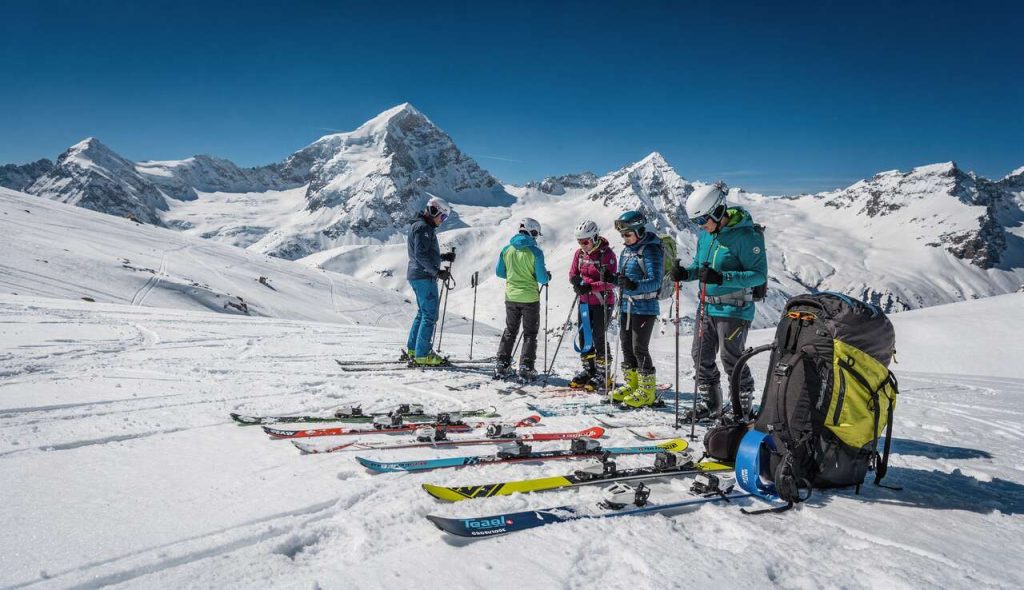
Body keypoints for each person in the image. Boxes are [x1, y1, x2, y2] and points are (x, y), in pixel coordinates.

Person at [671, 182, 768, 418]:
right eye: (696, 222)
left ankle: (741, 408)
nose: (700, 226)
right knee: (700, 355)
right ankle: (711, 404)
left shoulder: (746, 236)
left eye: (702, 220)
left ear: (717, 211)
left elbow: (758, 276)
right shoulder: (707, 236)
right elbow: (700, 267)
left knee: (731, 358)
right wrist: (686, 273)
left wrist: (722, 277)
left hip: (734, 309)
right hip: (707, 306)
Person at [604, 210, 664, 408]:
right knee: (626, 346)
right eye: (622, 235)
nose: (624, 238)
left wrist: (633, 285)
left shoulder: (651, 250)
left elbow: (655, 282)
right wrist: (613, 279)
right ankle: (633, 385)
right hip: (626, 306)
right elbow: (624, 279)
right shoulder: (626, 251)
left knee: (640, 347)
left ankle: (647, 391)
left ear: (639, 231)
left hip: (645, 307)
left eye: (627, 234)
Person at [495, 217, 551, 381]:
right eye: (535, 234)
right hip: (530, 299)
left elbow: (500, 272)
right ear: (532, 232)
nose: (535, 238)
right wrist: (547, 276)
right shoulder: (535, 252)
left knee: (510, 331)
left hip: (511, 296)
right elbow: (542, 278)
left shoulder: (507, 249)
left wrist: (514, 276)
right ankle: (526, 367)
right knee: (529, 333)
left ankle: (502, 364)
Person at [405, 195, 455, 366]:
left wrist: (442, 256)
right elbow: (420, 254)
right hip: (423, 276)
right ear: (434, 211)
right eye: (442, 216)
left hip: (418, 275)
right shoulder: (423, 228)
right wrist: (436, 271)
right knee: (430, 316)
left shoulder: (421, 226)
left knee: (422, 314)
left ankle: (414, 349)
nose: (443, 221)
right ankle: (422, 355)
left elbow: (423, 252)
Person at [568, 220, 617, 391]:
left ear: (595, 237)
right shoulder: (579, 254)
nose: (583, 245)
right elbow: (573, 273)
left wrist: (591, 286)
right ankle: (589, 370)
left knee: (598, 336)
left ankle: (604, 374)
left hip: (603, 302)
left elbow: (611, 282)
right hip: (584, 302)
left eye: (586, 241)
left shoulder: (607, 255)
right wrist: (576, 282)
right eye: (580, 242)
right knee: (584, 337)